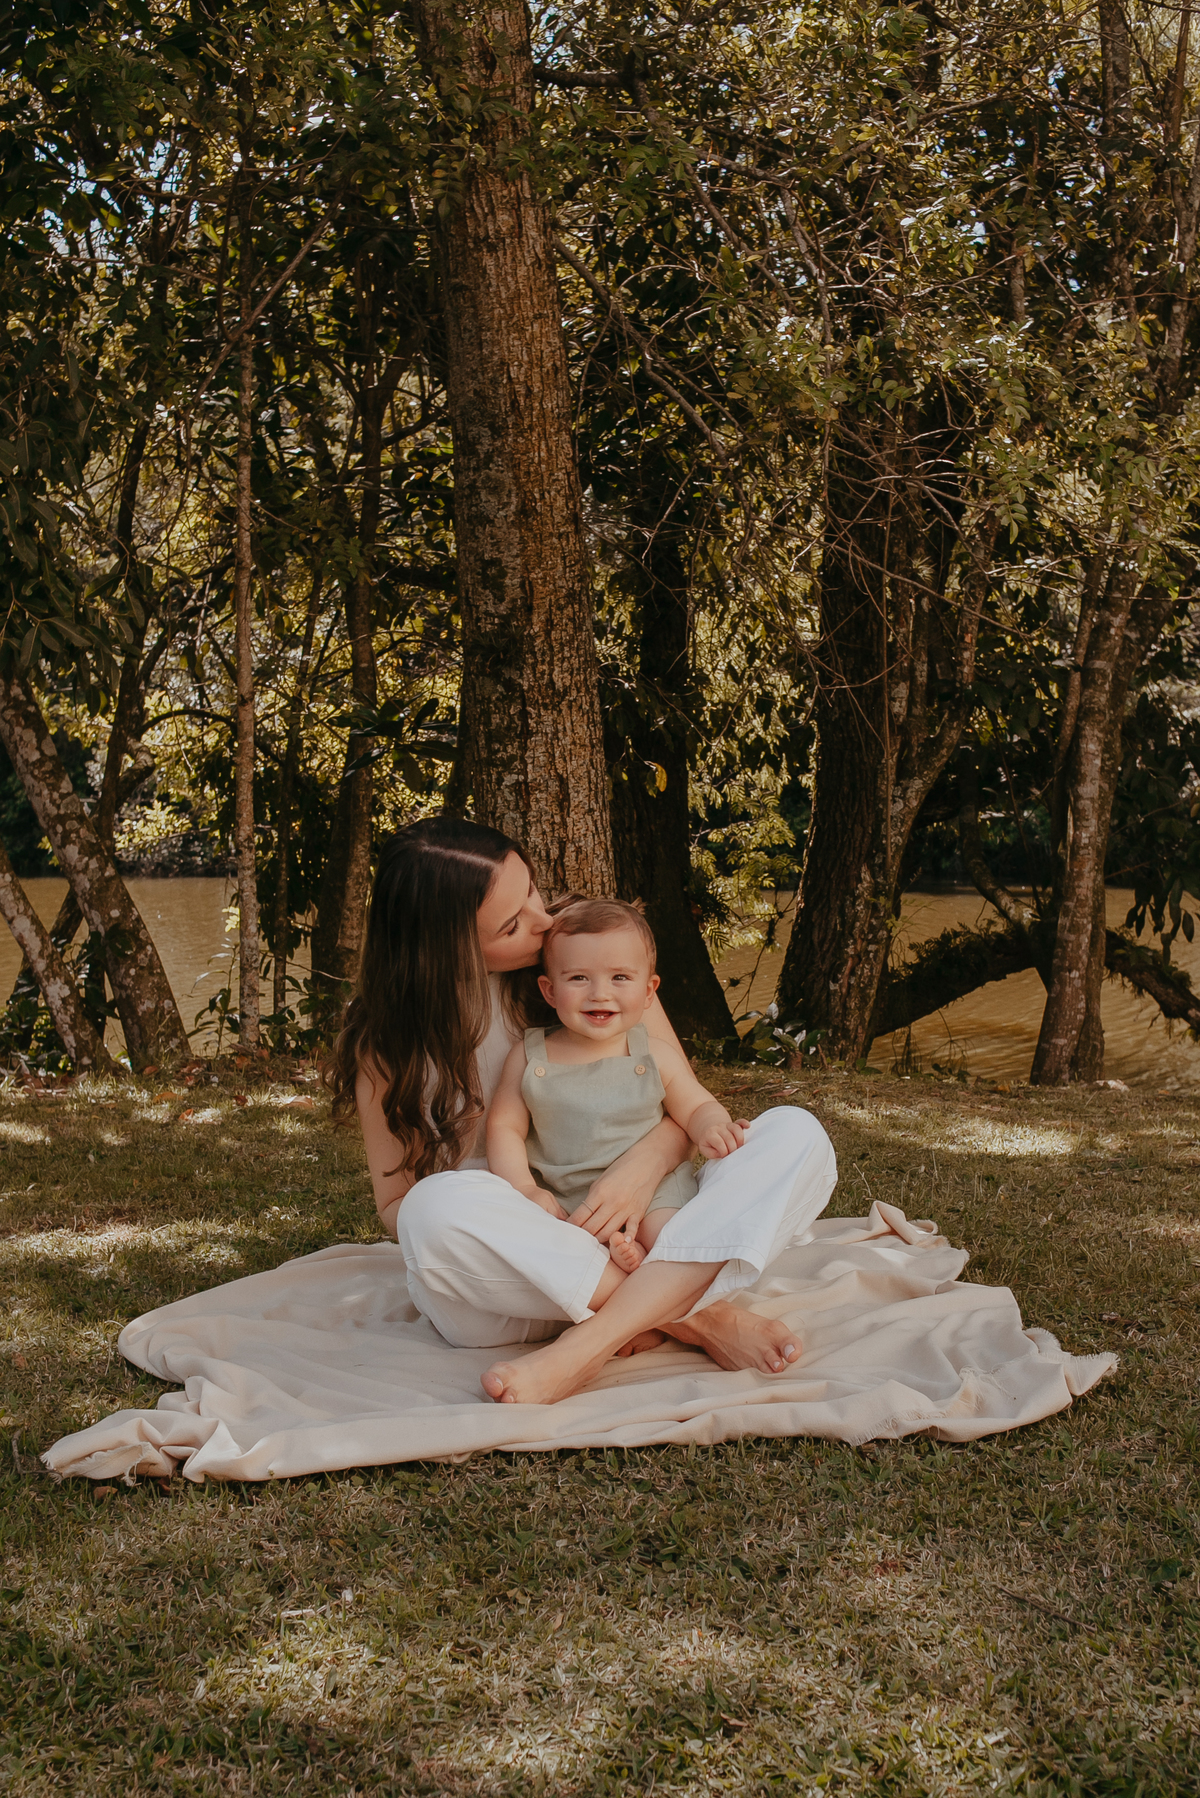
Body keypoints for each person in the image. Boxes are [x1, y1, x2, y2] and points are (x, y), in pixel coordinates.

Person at [327, 816, 839, 1406]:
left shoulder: (589, 951)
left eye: (532, 893)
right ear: (449, 949)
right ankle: (698, 1317)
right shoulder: (387, 1042)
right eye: (514, 923)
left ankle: (583, 1349)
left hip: (646, 1223)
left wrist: (639, 1172)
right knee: (430, 1209)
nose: (543, 922)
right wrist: (530, 1208)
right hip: (526, 1271)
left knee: (795, 1134)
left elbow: (680, 1099)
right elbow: (396, 1206)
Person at [486, 897, 747, 1275]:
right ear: (549, 990)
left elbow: (695, 1105)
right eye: (578, 977)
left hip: (654, 1191)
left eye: (619, 977)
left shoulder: (653, 1055)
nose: (599, 993)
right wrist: (525, 1189)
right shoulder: (529, 1056)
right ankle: (630, 1284)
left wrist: (712, 1126)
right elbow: (504, 1127)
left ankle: (651, 1274)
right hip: (565, 1196)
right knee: (562, 1258)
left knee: (666, 1235)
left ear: (648, 990)